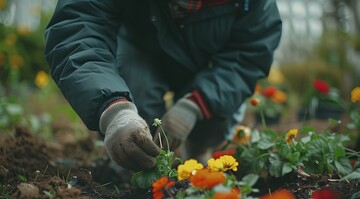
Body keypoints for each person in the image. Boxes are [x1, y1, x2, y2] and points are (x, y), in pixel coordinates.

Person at [44, 0, 282, 172]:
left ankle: (197, 154)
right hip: (139, 51)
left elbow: (246, 58)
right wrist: (114, 110)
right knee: (137, 122)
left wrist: (197, 104)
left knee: (217, 111)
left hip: (205, 66)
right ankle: (134, 167)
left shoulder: (255, 5)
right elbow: (79, 27)